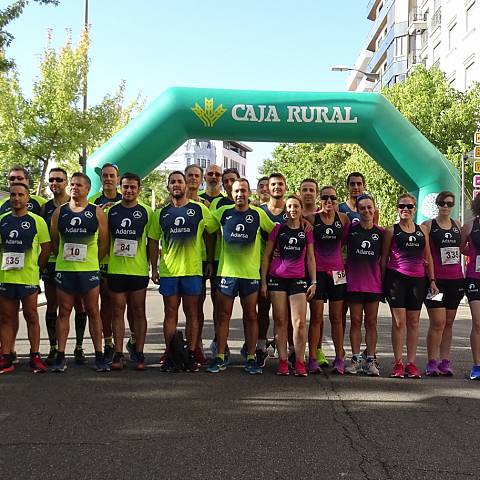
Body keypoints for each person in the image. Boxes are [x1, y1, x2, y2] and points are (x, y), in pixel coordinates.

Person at [149, 171, 216, 372]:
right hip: (169, 271)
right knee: (170, 313)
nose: (176, 185)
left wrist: (210, 260)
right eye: (173, 182)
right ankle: (171, 353)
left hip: (193, 270)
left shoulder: (199, 209)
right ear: (168, 187)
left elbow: (212, 233)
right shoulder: (160, 213)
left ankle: (191, 352)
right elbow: (153, 241)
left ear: (186, 185)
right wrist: (154, 268)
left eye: (180, 181)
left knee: (192, 313)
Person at [207, 178, 275, 374]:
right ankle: (219, 356)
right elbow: (205, 227)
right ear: (231, 193)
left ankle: (252, 357)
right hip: (227, 273)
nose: (240, 194)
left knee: (251, 316)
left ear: (249, 193)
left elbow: (276, 232)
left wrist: (303, 222)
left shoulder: (258, 214)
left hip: (250, 274)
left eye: (243, 191)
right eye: (236, 191)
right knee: (223, 316)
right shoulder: (222, 212)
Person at [50, 172, 110, 372]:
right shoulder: (60, 212)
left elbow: (104, 243)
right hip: (65, 270)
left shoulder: (96, 212)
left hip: (88, 272)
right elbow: (55, 243)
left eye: (79, 185)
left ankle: (99, 355)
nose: (74, 188)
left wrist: (92, 261)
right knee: (64, 312)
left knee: (93, 311)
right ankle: (60, 356)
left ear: (87, 189)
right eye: (72, 185)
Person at [382, 193, 438, 379]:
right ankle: (398, 363)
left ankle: (411, 363)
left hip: (418, 280)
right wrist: (382, 283)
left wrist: (432, 280)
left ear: (414, 209)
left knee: (414, 322)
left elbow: (428, 256)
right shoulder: (391, 230)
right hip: (396, 278)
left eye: (409, 206)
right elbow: (384, 259)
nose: (405, 209)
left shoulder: (422, 230)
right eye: (401, 206)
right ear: (397, 209)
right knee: (399, 322)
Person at [261, 195, 316, 376]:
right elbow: (267, 255)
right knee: (280, 321)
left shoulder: (307, 230)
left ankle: (300, 361)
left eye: (296, 206)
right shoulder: (278, 229)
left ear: (301, 209)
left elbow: (310, 257)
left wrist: (313, 281)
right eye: (290, 206)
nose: (293, 209)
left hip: (298, 279)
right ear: (286, 209)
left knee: (299, 322)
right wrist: (263, 282)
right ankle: (283, 361)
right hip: (277, 278)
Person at [0, 183, 50, 374]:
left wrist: (37, 268)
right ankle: (6, 357)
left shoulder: (38, 221)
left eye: (21, 195)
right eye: (13, 195)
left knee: (31, 316)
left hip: (28, 277)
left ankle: (35, 356)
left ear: (28, 198)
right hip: (6, 277)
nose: (17, 198)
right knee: (6, 318)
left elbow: (46, 249)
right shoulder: (3, 220)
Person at [40, 167, 88, 366]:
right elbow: (46, 238)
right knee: (53, 306)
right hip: (53, 263)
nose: (54, 183)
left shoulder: (76, 204)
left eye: (59, 180)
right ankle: (53, 348)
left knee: (80, 305)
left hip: (76, 265)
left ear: (66, 182)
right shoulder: (45, 208)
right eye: (51, 180)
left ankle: (78, 347)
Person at [107, 173, 154, 371]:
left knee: (139, 311)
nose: (129, 190)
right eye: (125, 187)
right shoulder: (111, 211)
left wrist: (154, 267)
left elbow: (152, 241)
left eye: (133, 187)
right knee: (117, 311)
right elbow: (104, 240)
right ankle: (118, 353)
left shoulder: (147, 212)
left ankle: (139, 352)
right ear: (120, 187)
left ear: (138, 189)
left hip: (138, 270)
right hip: (116, 269)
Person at [306, 186, 349, 374]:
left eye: (332, 198)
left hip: (338, 273)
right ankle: (313, 357)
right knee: (316, 318)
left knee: (337, 318)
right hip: (318, 273)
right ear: (320, 200)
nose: (329, 201)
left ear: (337, 200)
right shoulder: (311, 219)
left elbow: (345, 242)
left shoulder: (344, 219)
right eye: (325, 198)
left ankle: (340, 358)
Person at [423, 191, 463, 376]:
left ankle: (444, 361)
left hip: (455, 280)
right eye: (442, 203)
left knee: (448, 323)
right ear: (437, 204)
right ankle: (432, 361)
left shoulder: (457, 225)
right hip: (436, 282)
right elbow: (422, 251)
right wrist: (430, 278)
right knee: (437, 322)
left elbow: (463, 248)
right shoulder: (429, 225)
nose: (445, 206)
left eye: (449, 203)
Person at [344, 195, 384, 376]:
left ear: (374, 210)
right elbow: (336, 246)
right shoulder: (350, 230)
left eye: (369, 208)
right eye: (363, 209)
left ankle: (371, 360)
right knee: (356, 322)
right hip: (354, 284)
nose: (367, 211)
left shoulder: (381, 233)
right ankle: (355, 359)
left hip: (374, 285)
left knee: (371, 322)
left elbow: (388, 257)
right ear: (358, 211)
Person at [89, 163, 123, 364]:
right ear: (101, 179)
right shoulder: (93, 202)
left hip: (119, 262)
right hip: (97, 260)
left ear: (117, 179)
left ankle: (129, 342)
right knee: (100, 306)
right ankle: (107, 342)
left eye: (112, 176)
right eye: (105, 176)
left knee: (118, 305)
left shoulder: (125, 198)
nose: (108, 179)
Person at [257, 173, 289, 366]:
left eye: (280, 184)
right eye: (273, 184)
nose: (277, 187)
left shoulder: (293, 210)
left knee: (285, 313)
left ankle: (289, 350)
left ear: (285, 187)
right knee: (262, 310)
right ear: (267, 188)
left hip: (287, 270)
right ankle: (260, 347)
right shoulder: (258, 211)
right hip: (262, 266)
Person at [208, 167, 240, 358]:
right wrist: (211, 260)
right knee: (219, 307)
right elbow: (210, 233)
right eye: (226, 180)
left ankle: (253, 349)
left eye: (232, 180)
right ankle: (220, 343)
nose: (229, 184)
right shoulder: (218, 204)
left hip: (247, 267)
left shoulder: (250, 204)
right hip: (222, 262)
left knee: (249, 310)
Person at [185, 164, 211, 364]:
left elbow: (211, 235)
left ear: (201, 179)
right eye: (189, 175)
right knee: (177, 308)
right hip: (177, 264)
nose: (193, 179)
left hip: (200, 262)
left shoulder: (204, 205)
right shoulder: (171, 203)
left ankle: (197, 344)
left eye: (196, 176)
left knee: (196, 307)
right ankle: (178, 348)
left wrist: (210, 259)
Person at [461, 195, 480, 380]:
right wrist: (473, 254)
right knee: (477, 322)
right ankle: (477, 365)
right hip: (474, 278)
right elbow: (461, 247)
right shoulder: (469, 225)